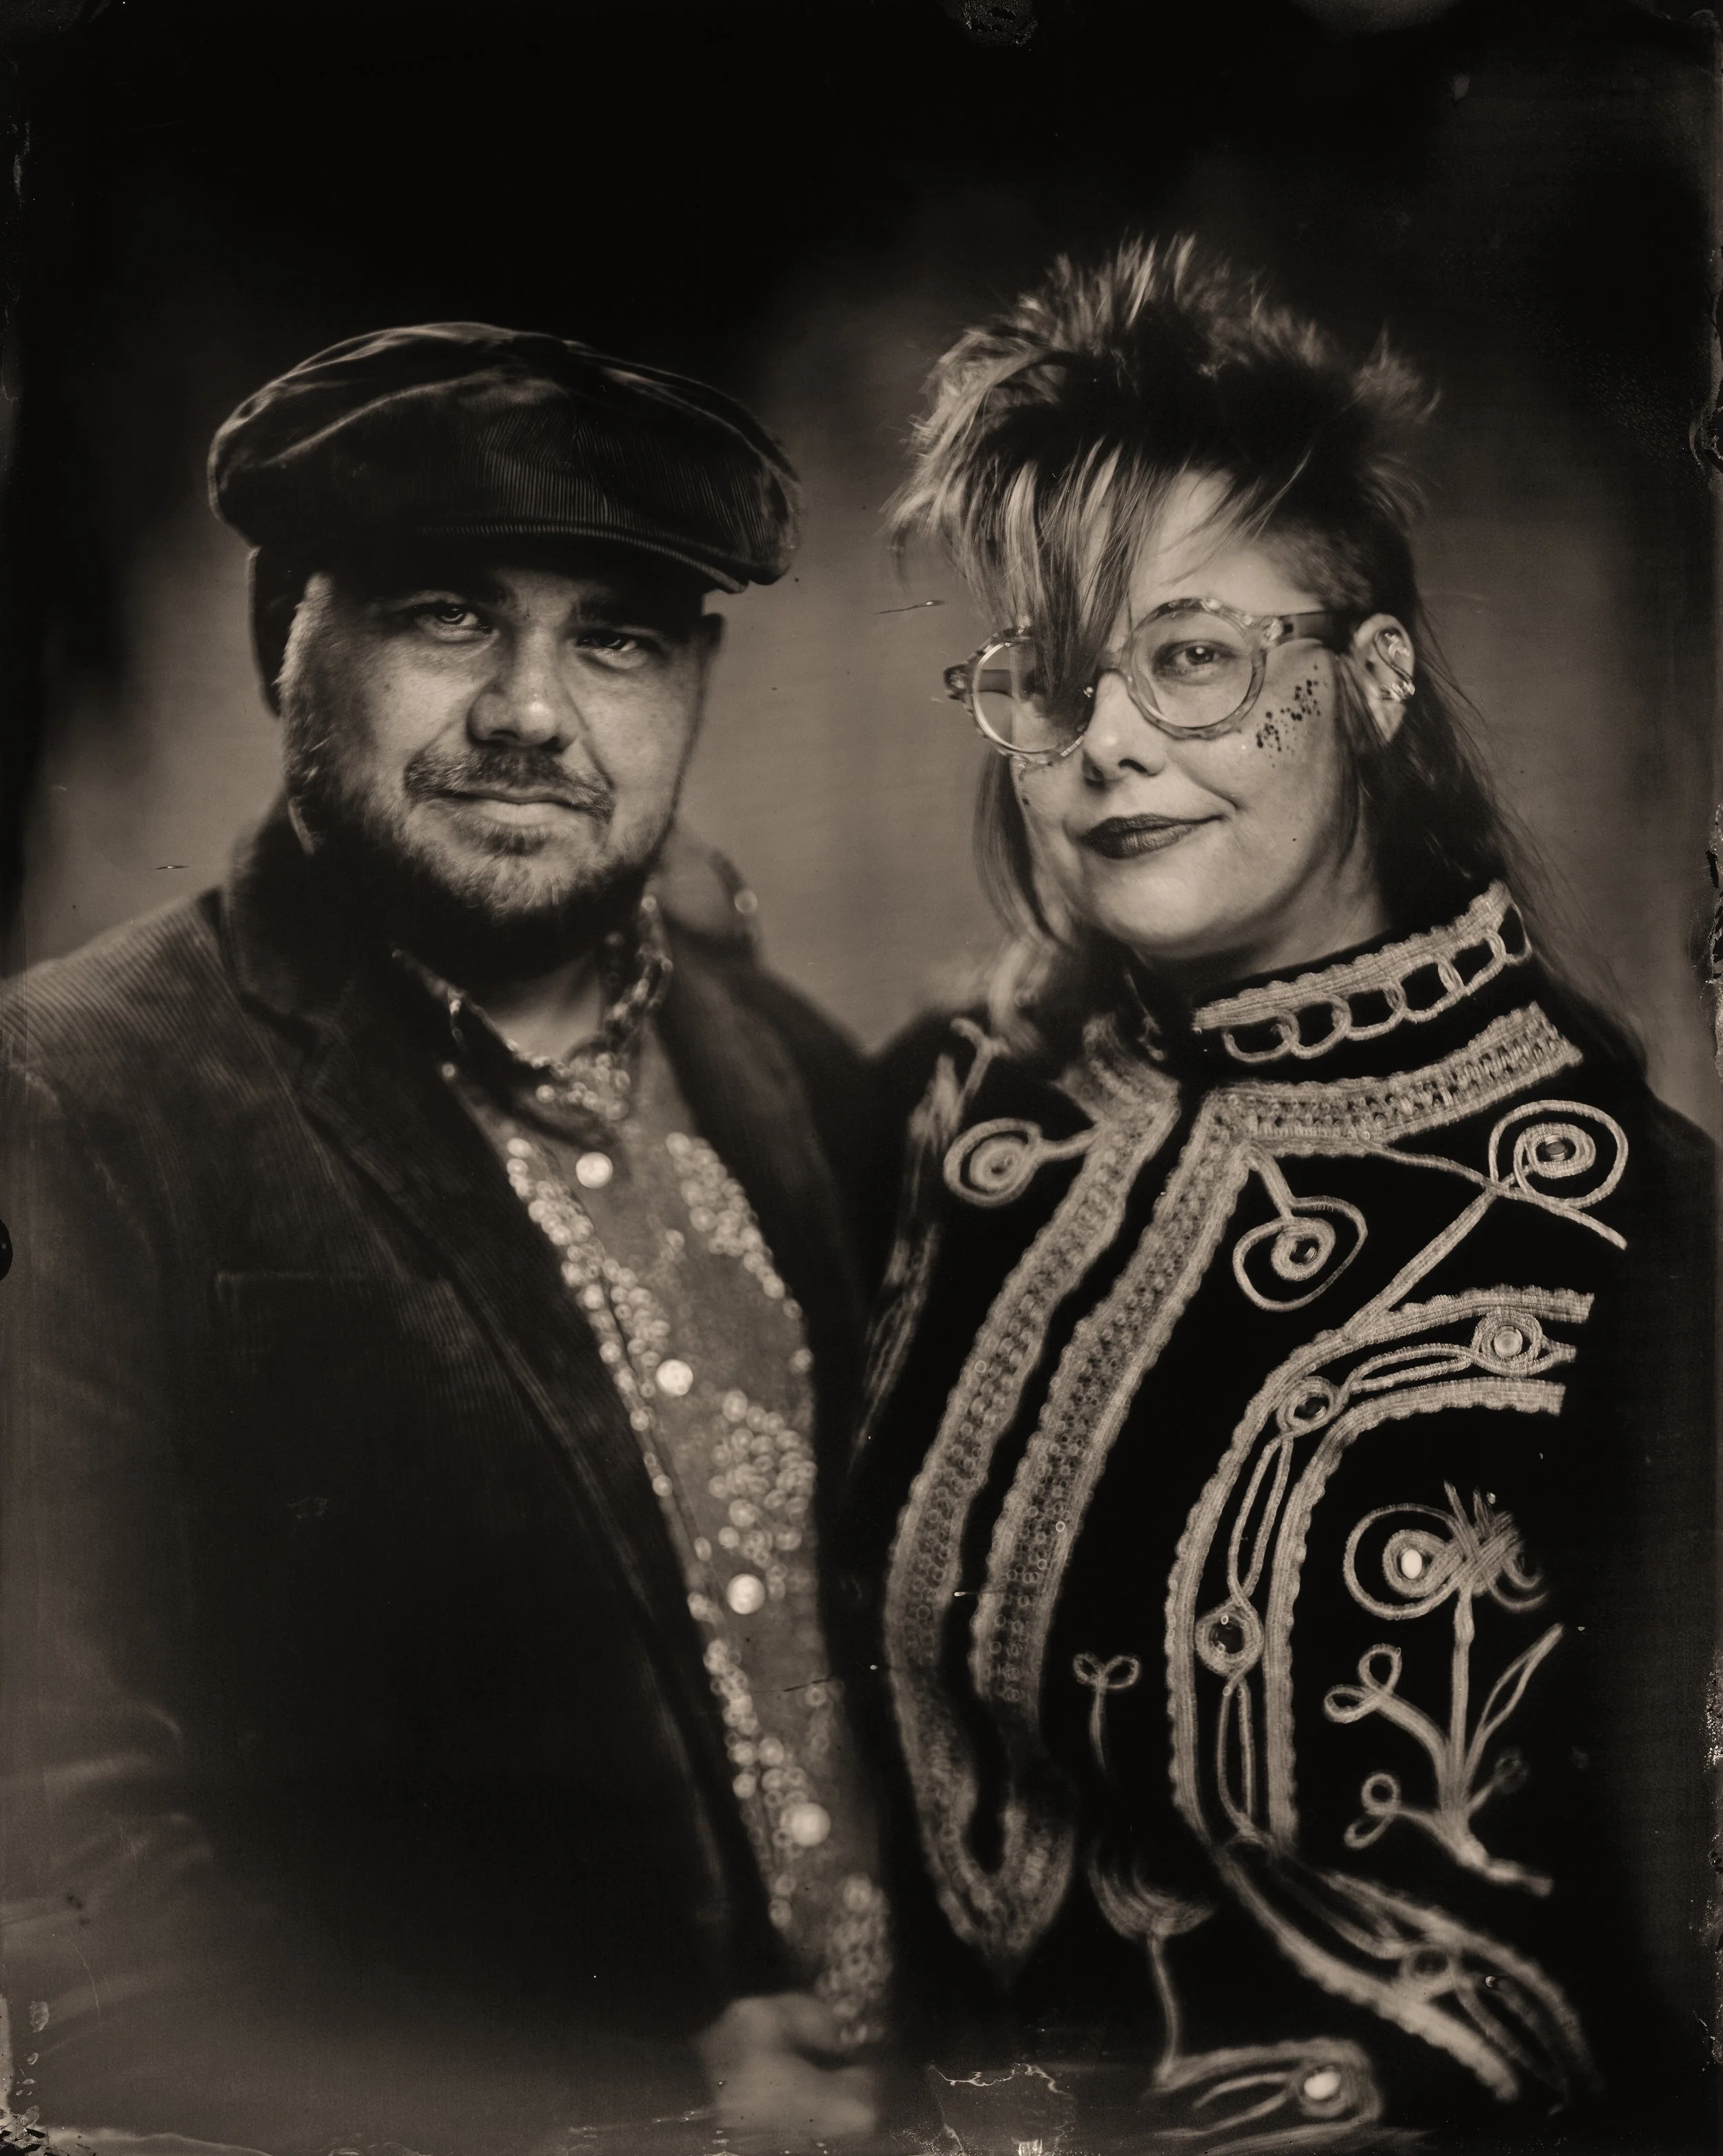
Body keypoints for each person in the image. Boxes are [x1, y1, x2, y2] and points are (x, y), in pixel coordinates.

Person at [846, 239, 1714, 2152]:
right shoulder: (958, 1112)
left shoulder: (1636, 1242)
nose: (1107, 744)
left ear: (1373, 683)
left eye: (1190, 657)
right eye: (1049, 678)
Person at [0, 325, 891, 2153]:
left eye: (616, 639)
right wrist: (628, 2110)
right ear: (286, 639)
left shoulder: (793, 1072)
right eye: (447, 616)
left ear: (695, 681)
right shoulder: (67, 1104)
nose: (530, 714)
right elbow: (69, 1907)